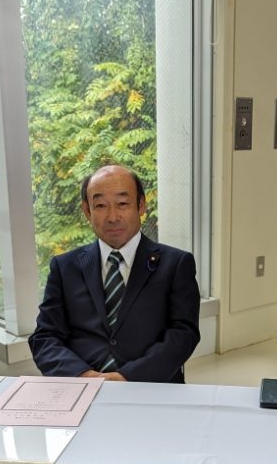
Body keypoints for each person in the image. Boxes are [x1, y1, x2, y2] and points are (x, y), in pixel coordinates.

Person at [29, 164, 201, 383]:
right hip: (82, 385)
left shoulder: (176, 264)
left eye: (122, 204)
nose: (112, 217)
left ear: (141, 205)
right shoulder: (64, 267)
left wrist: (127, 377)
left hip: (149, 385)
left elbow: (184, 335)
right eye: (101, 205)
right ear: (87, 211)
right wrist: (83, 376)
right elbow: (45, 337)